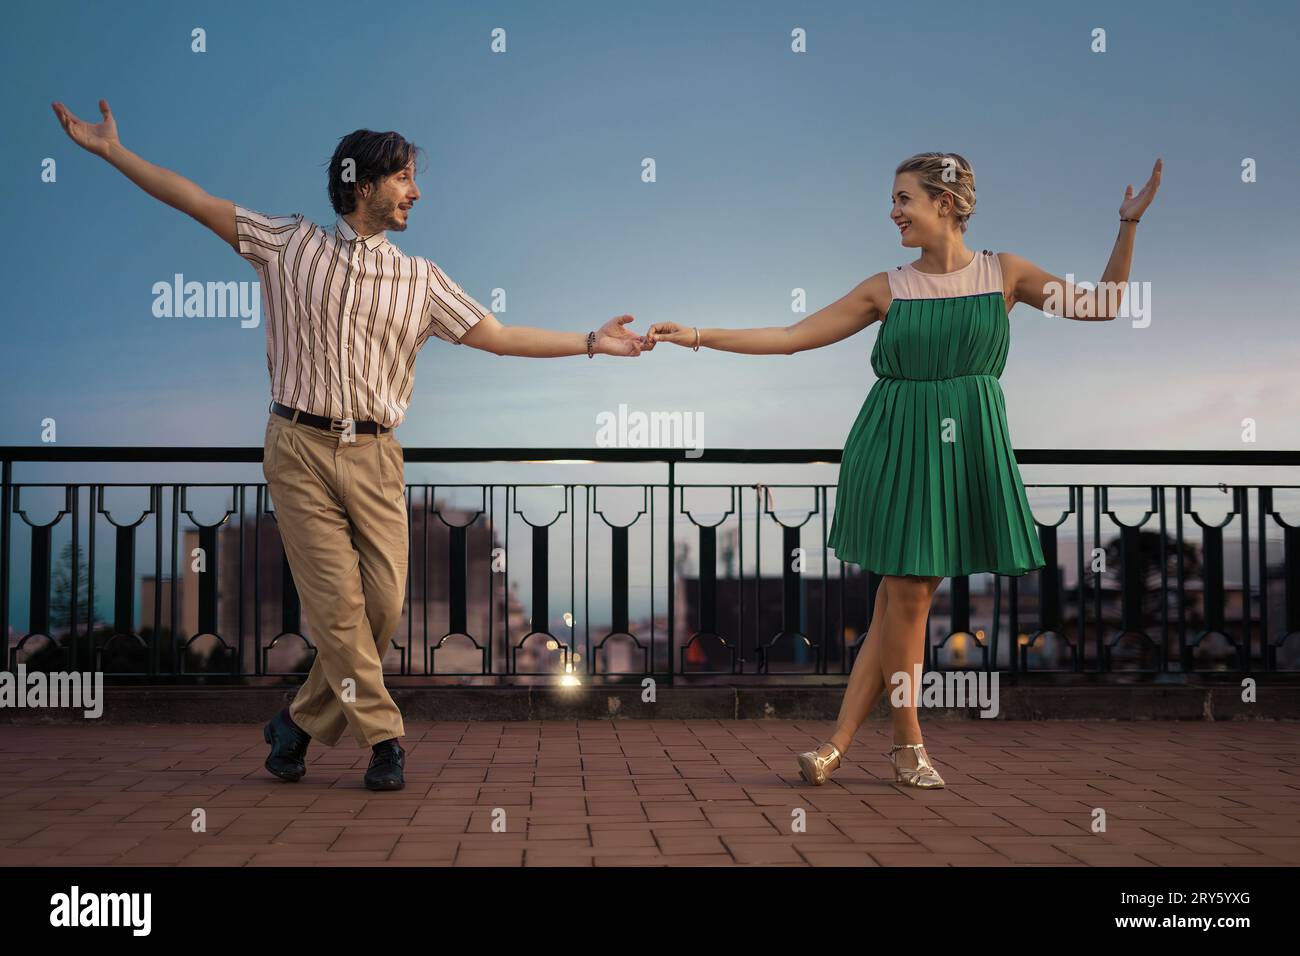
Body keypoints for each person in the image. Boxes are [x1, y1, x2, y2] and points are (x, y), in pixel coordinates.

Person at [52, 98, 647, 791]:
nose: (415, 192)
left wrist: (590, 344)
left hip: (375, 455)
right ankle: (385, 739)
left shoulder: (420, 279)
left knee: (382, 605)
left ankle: (296, 726)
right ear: (360, 185)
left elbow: (500, 337)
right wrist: (116, 154)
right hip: (298, 446)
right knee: (338, 607)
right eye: (402, 178)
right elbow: (196, 201)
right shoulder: (287, 244)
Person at [648, 152, 1161, 789]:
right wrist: (694, 334)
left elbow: (1105, 304)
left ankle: (836, 746)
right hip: (893, 447)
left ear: (943, 204)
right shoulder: (885, 288)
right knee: (910, 596)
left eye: (903, 200)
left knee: (899, 603)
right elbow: (789, 337)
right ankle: (907, 743)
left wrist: (1128, 224)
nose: (892, 213)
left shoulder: (1008, 273)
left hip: (965, 443)